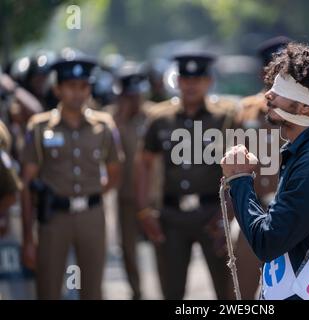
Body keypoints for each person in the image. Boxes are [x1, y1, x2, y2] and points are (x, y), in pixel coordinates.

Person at [221, 40, 309, 300]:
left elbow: (268, 243)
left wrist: (240, 180)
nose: (268, 95)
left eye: (281, 89)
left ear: (306, 107)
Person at [20, 49, 124, 299]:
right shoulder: (39, 126)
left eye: (83, 86)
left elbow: (114, 171)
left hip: (91, 215)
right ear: (57, 89)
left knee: (93, 290)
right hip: (54, 218)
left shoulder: (104, 125)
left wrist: (94, 193)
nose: (77, 93)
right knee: (48, 287)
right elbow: (26, 183)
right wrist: (27, 237)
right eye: (70, 86)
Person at [135, 53, 236, 299]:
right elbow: (143, 163)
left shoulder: (224, 118)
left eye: (198, 78)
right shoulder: (160, 119)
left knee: (227, 291)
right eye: (186, 78)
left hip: (212, 215)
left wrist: (229, 214)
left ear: (209, 81)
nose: (191, 85)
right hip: (172, 218)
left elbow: (238, 168)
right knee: (172, 290)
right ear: (177, 81)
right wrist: (144, 211)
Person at [234, 36, 290, 299]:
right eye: (273, 69)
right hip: (253, 213)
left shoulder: (306, 111)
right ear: (262, 72)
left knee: (291, 288)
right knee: (242, 291)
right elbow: (229, 165)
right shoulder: (245, 111)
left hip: (291, 214)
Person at [108, 62, 152, 300]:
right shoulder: (110, 120)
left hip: (153, 196)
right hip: (125, 196)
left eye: (137, 94)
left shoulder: (153, 115)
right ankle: (137, 292)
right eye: (129, 95)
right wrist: (121, 118)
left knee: (160, 245)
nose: (134, 99)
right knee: (128, 249)